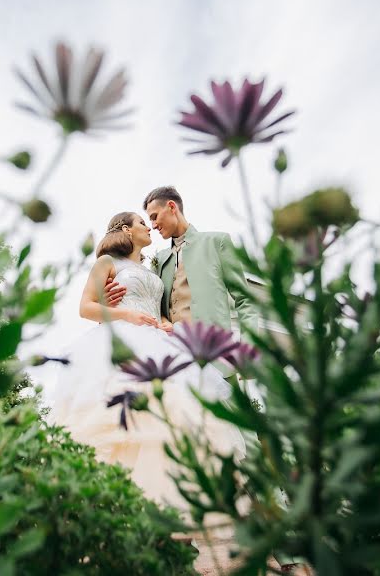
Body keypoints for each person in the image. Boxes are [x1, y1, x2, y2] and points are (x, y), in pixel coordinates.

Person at [48, 211, 245, 510]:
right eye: (143, 222)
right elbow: (85, 307)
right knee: (119, 420)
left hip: (158, 341)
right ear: (127, 229)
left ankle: (161, 504)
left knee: (169, 417)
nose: (149, 227)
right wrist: (126, 314)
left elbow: (157, 307)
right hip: (123, 340)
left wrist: (165, 321)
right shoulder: (107, 263)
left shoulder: (152, 270)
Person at [104, 186, 258, 335]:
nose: (153, 226)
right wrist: (111, 300)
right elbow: (149, 301)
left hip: (213, 350)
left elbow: (245, 300)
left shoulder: (217, 242)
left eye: (154, 217)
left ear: (171, 206)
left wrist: (248, 350)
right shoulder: (159, 259)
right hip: (172, 350)